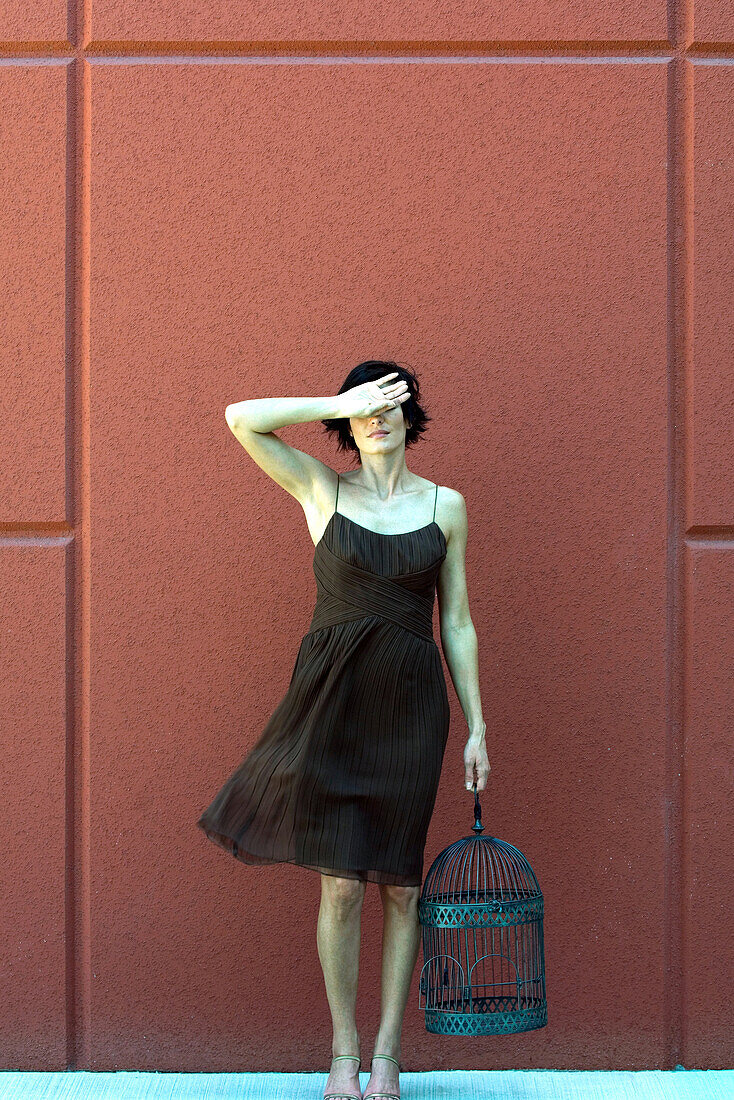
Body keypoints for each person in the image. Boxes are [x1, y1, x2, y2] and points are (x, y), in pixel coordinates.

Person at [197, 359, 490, 1100]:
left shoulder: (445, 505)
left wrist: (478, 727)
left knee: (399, 887)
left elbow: (455, 620)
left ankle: (388, 1054)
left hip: (412, 709)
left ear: (409, 417)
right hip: (333, 705)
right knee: (340, 889)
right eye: (365, 407)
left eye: (392, 403)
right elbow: (240, 415)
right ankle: (344, 1052)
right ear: (347, 421)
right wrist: (337, 397)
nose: (379, 417)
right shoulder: (321, 490)